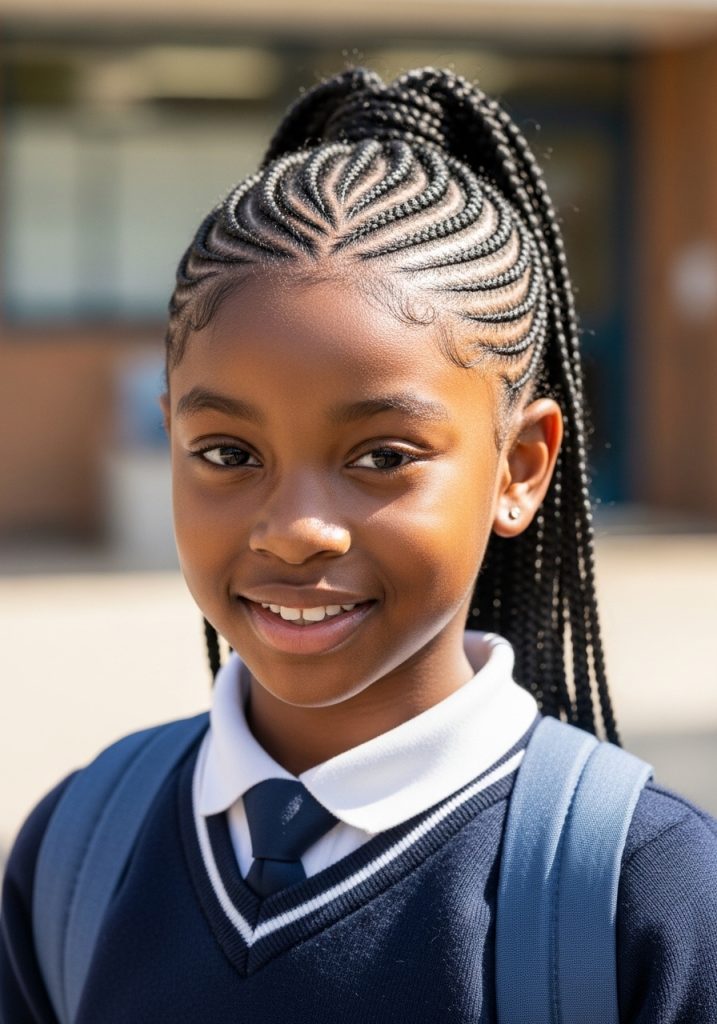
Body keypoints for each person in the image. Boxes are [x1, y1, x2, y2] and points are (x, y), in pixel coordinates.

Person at [1, 67, 716, 1023]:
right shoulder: (81, 847)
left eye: (382, 456)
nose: (295, 530)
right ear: (170, 437)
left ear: (520, 467)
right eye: (227, 453)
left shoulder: (644, 895)